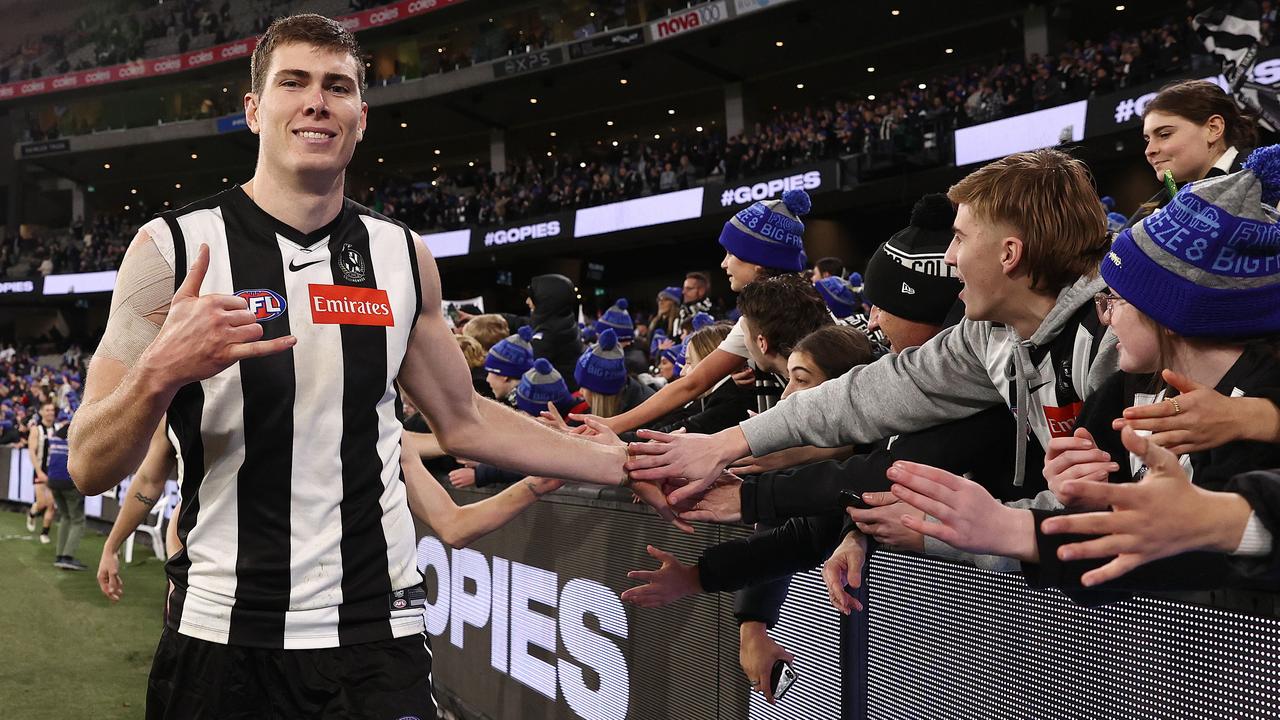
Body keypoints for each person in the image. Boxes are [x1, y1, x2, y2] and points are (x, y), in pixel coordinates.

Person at [67, 15, 645, 719]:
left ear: (360, 118)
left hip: (378, 636)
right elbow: (89, 465)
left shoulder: (403, 255)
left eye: (337, 87)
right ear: (254, 110)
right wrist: (160, 371)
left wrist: (628, 467)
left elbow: (463, 420)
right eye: (295, 83)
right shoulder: (172, 249)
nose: (317, 101)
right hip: (223, 637)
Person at [884, 150, 1280, 599]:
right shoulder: (1120, 392)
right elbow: (1117, 536)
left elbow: (1203, 565)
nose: (1105, 319)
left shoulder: (1258, 405)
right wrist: (1078, 493)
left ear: (1171, 311)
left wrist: (1013, 530)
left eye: (1114, 299)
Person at [597, 189, 814, 434]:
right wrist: (611, 424)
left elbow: (691, 384)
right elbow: (692, 383)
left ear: (758, 261)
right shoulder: (798, 305)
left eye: (731, 253)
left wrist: (613, 424)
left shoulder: (763, 319)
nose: (723, 263)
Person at [1127, 79, 1258, 227]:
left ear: (1213, 128)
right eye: (1147, 139)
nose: (1149, 151)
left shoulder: (1267, 179)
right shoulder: (1156, 210)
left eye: (1164, 135)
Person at [43, 408, 84, 570]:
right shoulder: (75, 433)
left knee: (65, 517)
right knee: (78, 520)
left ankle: (60, 555)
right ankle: (67, 557)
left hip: (53, 481)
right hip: (68, 482)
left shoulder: (56, 433)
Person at [25, 401, 57, 544]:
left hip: (54, 472)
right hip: (40, 470)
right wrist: (38, 471)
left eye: (52, 410)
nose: (50, 412)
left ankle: (44, 532)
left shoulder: (58, 428)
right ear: (42, 412)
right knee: (42, 503)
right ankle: (32, 513)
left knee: (51, 505)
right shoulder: (36, 430)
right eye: (47, 410)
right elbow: (31, 451)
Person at [482, 325, 535, 407]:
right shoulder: (529, 401)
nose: (487, 379)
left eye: (490, 372)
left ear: (504, 376)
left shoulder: (518, 412)